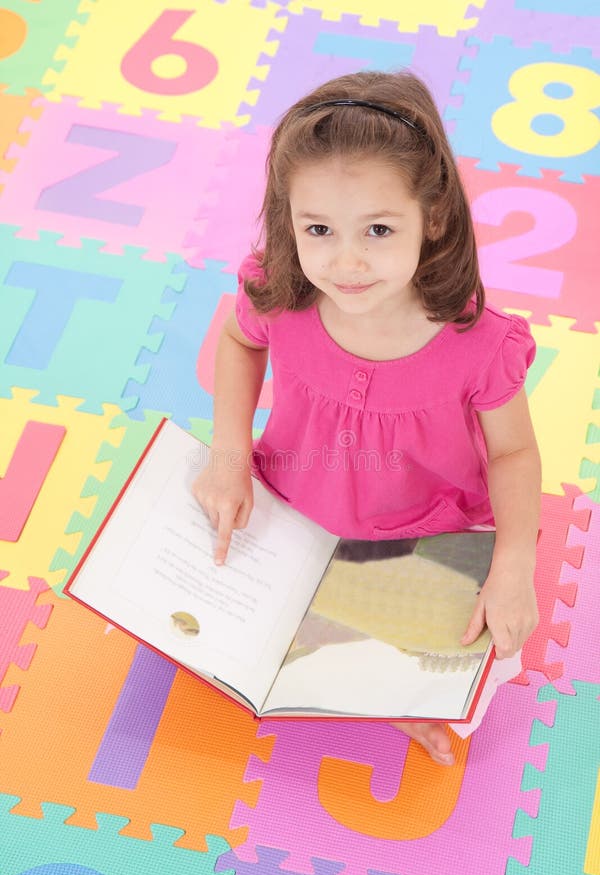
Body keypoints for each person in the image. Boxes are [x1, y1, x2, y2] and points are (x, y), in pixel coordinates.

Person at [193, 70, 541, 766]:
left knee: (493, 645)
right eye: (317, 228)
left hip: (422, 528)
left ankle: (395, 691)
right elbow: (237, 339)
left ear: (433, 218)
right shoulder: (281, 290)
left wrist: (515, 562)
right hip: (294, 504)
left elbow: (513, 455)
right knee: (216, 617)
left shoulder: (478, 343)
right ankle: (353, 672)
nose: (345, 261)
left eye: (379, 229)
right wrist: (229, 458)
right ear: (288, 215)